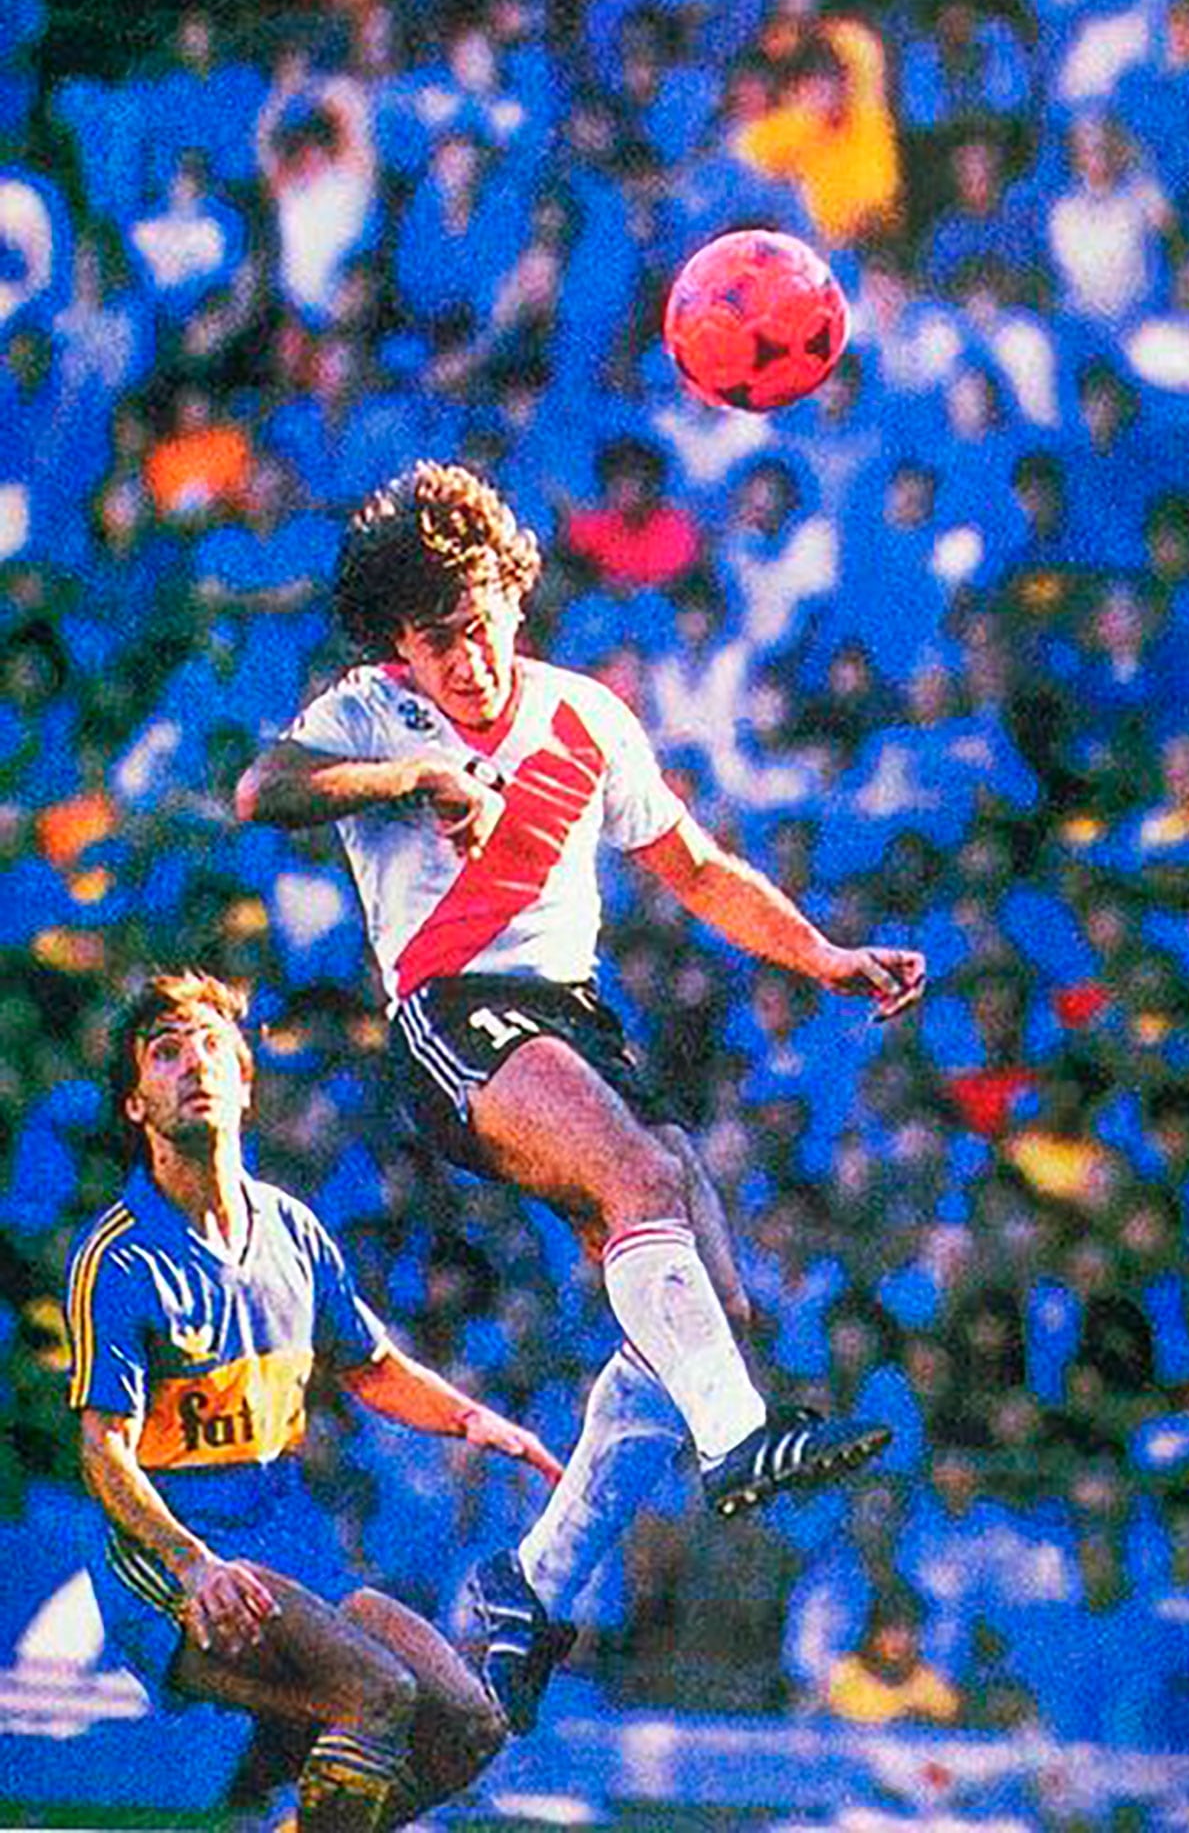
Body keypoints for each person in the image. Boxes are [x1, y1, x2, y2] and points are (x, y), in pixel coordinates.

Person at [234, 459, 924, 1733]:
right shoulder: (375, 714)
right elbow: (264, 792)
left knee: (707, 1304)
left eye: (482, 626)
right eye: (439, 642)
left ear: (513, 600)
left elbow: (698, 867)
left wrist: (823, 953)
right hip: (453, 1010)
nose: (469, 661)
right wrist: (418, 779)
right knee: (650, 1186)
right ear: (399, 641)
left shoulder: (586, 717)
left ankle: (529, 1583)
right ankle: (739, 1444)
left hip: (574, 1020)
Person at [66, 969, 564, 1832]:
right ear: (136, 1107)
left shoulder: (293, 1232)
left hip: (294, 1551)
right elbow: (104, 1449)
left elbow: (370, 1367)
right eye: (167, 1052)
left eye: (214, 1046)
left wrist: (471, 1418)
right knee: (379, 1695)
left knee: (471, 1724)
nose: (196, 1065)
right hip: (177, 1570)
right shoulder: (119, 1259)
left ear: (247, 1085)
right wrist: (194, 1565)